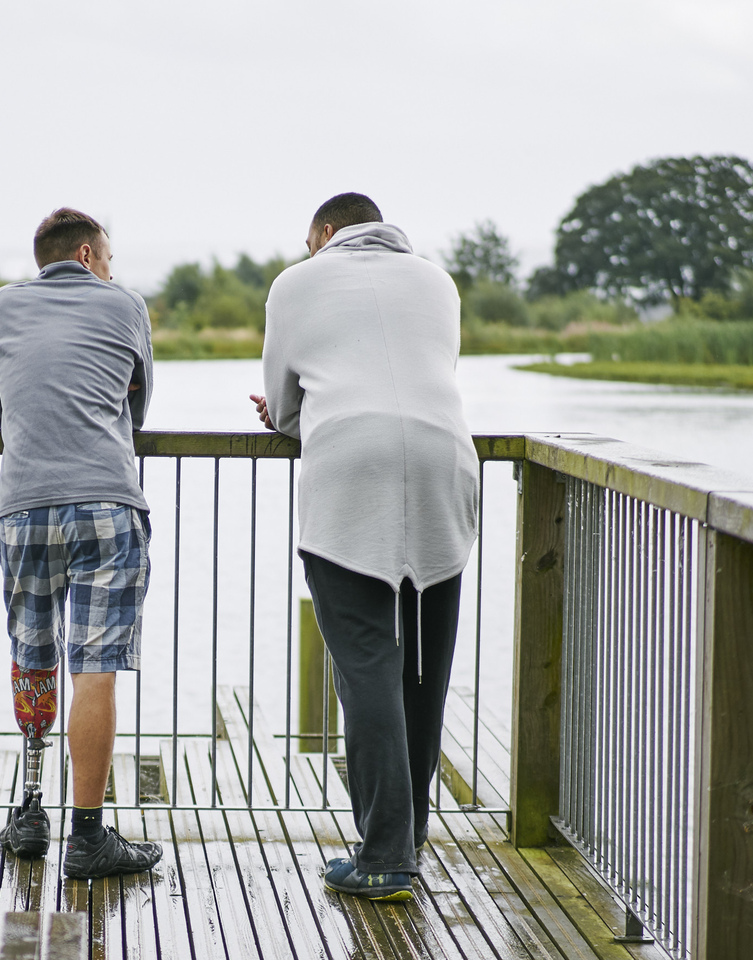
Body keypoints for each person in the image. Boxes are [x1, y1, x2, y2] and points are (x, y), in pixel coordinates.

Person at [250, 192, 480, 902]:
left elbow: (284, 406)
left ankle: (383, 856)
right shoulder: (437, 281)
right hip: (446, 465)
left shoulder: (297, 281)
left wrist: (290, 415)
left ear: (322, 234)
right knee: (424, 669)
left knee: (368, 667)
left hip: (350, 469)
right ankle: (408, 838)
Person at [0, 207, 164, 880]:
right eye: (109, 260)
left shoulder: (3, 306)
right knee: (95, 665)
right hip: (105, 503)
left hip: (24, 504)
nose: (112, 272)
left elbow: (3, 409)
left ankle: (30, 813)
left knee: (33, 654)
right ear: (89, 254)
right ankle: (87, 838)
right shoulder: (125, 306)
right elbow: (137, 406)